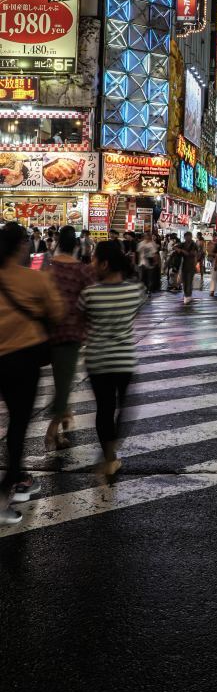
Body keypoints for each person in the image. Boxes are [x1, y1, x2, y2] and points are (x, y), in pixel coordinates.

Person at [0, 222, 64, 525]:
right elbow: (58, 313)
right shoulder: (34, 280)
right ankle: (8, 490)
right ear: (21, 247)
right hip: (22, 362)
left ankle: (18, 479)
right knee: (18, 425)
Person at [78, 240, 146, 477]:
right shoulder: (135, 291)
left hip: (97, 360)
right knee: (124, 409)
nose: (91, 264)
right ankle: (112, 451)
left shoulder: (89, 294)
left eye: (94, 260)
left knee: (104, 410)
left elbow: (82, 320)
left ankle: (109, 458)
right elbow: (135, 312)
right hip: (123, 360)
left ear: (105, 264)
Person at [45, 226, 95, 451]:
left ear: (56, 243)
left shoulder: (48, 269)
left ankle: (63, 426)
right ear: (76, 246)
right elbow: (91, 302)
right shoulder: (83, 272)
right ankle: (52, 431)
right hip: (71, 332)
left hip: (46, 331)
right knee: (64, 383)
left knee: (61, 380)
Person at [177, 231, 199, 305]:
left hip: (191, 265)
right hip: (183, 265)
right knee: (184, 281)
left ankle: (188, 295)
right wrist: (178, 250)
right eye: (186, 236)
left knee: (189, 281)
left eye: (189, 236)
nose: (187, 238)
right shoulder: (182, 244)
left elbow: (194, 255)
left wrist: (195, 264)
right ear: (184, 237)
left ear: (191, 236)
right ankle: (186, 294)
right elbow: (175, 247)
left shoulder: (194, 245)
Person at [136, 231, 159, 297]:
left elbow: (155, 254)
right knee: (142, 277)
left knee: (150, 277)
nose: (147, 237)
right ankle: (143, 290)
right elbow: (138, 253)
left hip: (150, 263)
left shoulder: (153, 244)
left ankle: (149, 290)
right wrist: (137, 262)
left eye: (148, 235)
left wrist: (156, 262)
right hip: (142, 263)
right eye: (146, 235)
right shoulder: (140, 244)